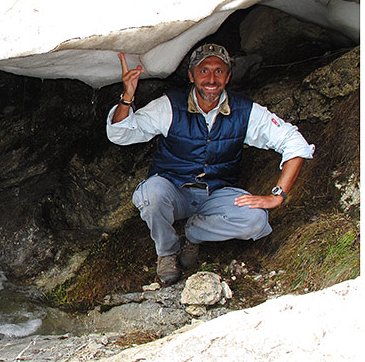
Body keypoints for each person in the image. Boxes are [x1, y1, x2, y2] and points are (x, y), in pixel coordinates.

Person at [106, 43, 314, 284]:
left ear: (228, 76)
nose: (211, 78)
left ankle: (192, 234)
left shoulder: (245, 110)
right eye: (204, 70)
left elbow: (294, 142)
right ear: (191, 75)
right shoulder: (170, 105)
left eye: (219, 71)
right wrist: (127, 97)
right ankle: (167, 251)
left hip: (218, 194)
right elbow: (121, 134)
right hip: (175, 191)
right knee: (150, 194)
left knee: (256, 221)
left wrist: (278, 195)